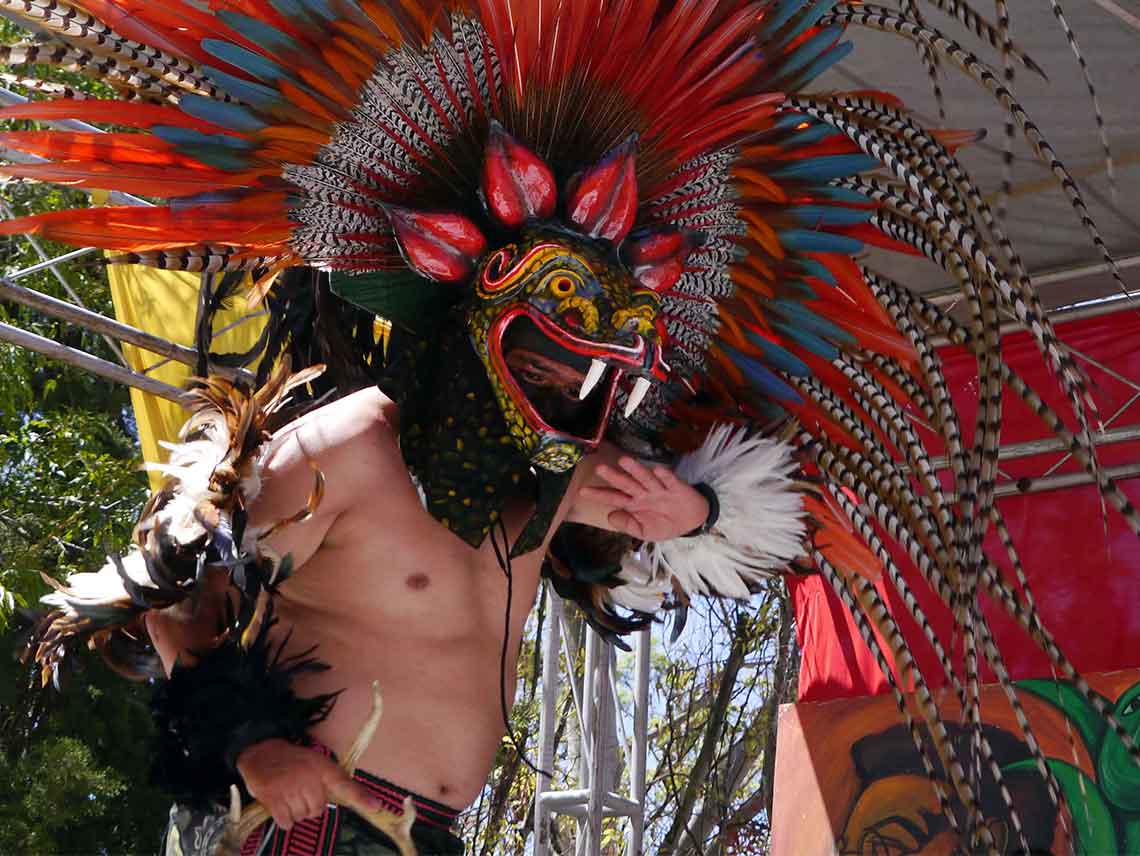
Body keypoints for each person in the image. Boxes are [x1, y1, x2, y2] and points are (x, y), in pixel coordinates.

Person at [146, 385, 713, 853]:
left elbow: (686, 504)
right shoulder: (347, 445)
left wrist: (701, 512)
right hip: (301, 820)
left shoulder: (556, 472)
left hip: (429, 834)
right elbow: (177, 606)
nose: (563, 369)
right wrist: (253, 746)